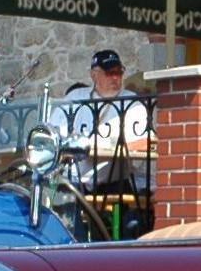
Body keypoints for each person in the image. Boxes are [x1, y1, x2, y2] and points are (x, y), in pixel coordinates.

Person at [52, 49, 151, 192]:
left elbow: (145, 141)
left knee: (117, 211)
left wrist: (112, 149)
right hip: (73, 182)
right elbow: (54, 133)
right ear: (94, 75)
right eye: (109, 73)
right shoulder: (75, 97)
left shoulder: (132, 101)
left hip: (113, 185)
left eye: (119, 72)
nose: (115, 77)